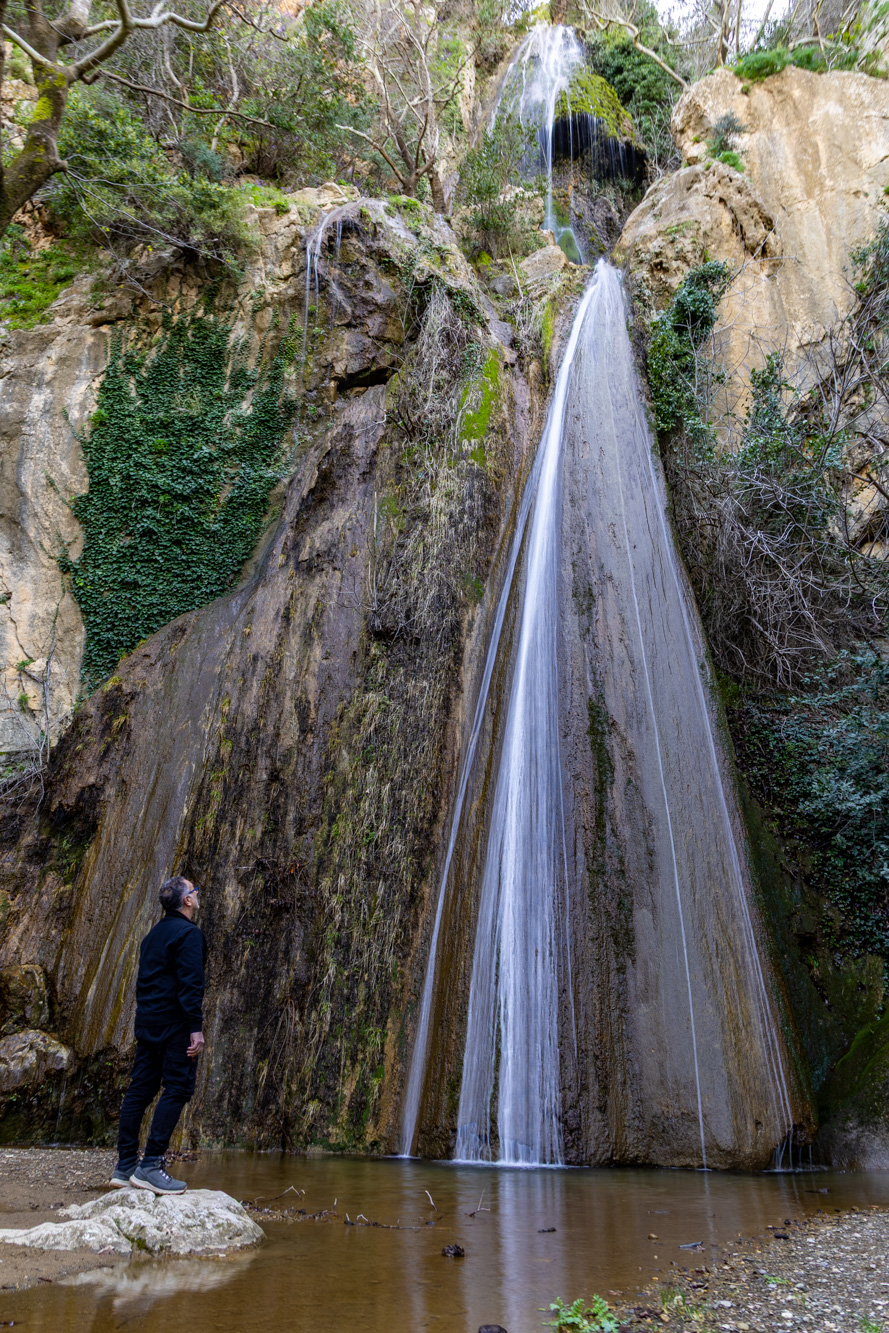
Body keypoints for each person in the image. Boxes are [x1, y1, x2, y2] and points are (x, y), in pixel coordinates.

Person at [110, 875, 207, 1195]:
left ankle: (125, 1166)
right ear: (187, 901)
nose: (197, 893)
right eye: (194, 890)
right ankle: (150, 1164)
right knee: (178, 1087)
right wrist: (195, 1028)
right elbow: (191, 985)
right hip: (175, 1025)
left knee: (140, 1090)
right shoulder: (188, 934)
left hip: (148, 1021)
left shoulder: (152, 935)